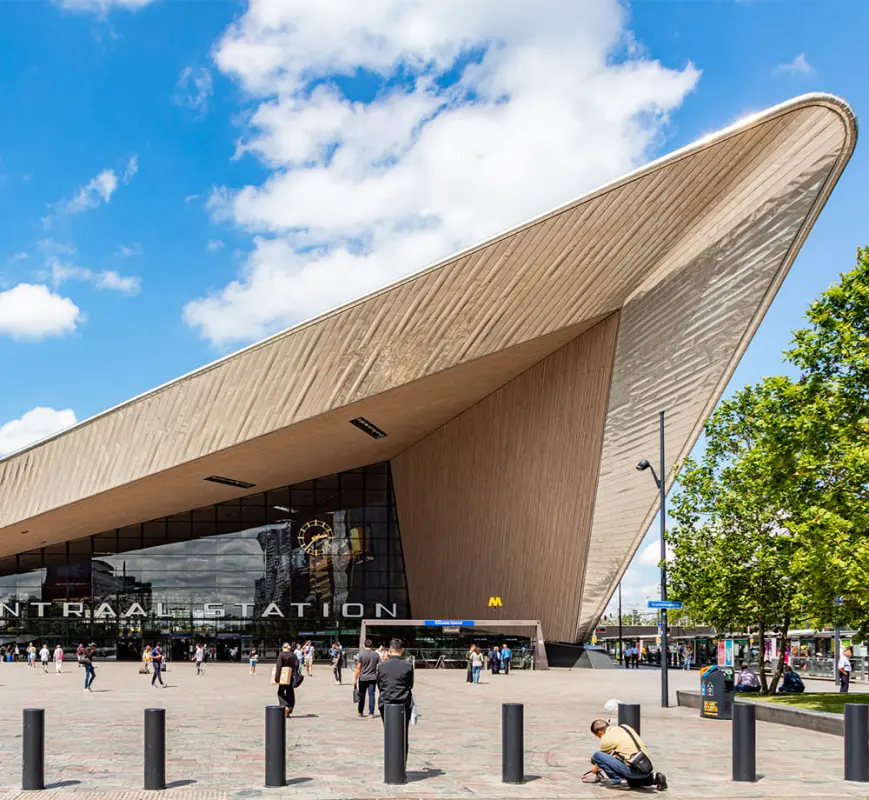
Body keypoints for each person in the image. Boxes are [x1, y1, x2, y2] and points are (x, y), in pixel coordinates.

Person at [589, 719, 667, 790]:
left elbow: (601, 759)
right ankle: (654, 777)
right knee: (630, 778)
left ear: (600, 732)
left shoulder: (606, 738)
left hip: (633, 769)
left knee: (597, 756)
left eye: (598, 736)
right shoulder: (625, 727)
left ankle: (618, 781)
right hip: (645, 766)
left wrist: (595, 769)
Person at [376, 638, 414, 766]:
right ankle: (401, 765)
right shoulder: (408, 666)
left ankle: (391, 765)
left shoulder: (381, 666)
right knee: (403, 734)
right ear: (402, 651)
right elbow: (410, 685)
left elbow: (380, 685)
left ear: (390, 650)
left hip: (385, 702)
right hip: (403, 702)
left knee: (390, 733)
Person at [354, 638, 380, 717]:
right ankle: (371, 713)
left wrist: (355, 678)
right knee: (371, 695)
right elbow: (379, 666)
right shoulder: (376, 655)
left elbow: (358, 668)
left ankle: (360, 711)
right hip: (372, 678)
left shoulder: (361, 654)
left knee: (362, 695)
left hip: (363, 678)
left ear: (364, 645)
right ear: (372, 645)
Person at [274, 643, 300, 717]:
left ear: (284, 648)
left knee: (280, 692)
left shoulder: (281, 655)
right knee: (290, 693)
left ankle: (285, 706)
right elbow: (297, 665)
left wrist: (276, 678)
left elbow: (279, 667)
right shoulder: (294, 655)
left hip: (283, 676)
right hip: (291, 676)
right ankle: (289, 709)